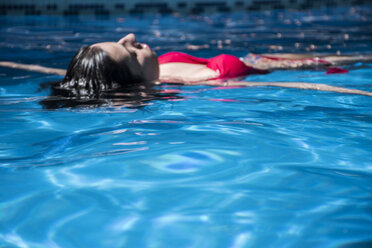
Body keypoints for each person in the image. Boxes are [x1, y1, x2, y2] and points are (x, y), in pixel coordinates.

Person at [1, 33, 371, 106]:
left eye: (123, 39)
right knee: (361, 60)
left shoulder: (153, 70)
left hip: (256, 57)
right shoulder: (194, 90)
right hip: (285, 68)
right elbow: (292, 87)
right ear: (136, 83)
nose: (132, 37)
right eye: (130, 52)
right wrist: (357, 92)